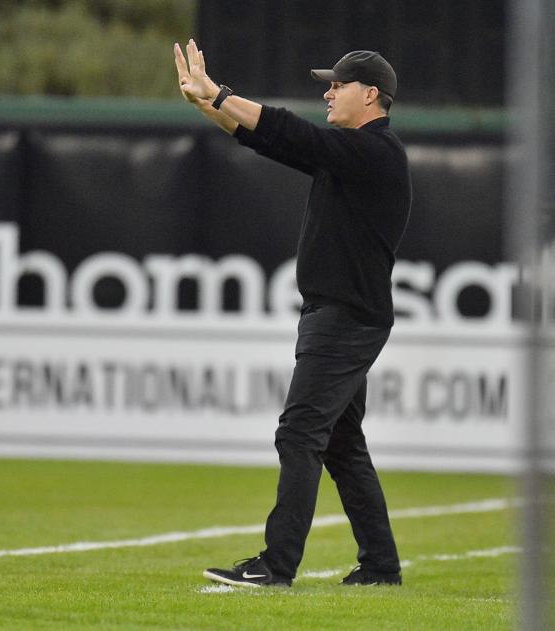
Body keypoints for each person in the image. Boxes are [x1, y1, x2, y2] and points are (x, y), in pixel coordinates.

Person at [174, 39, 411, 587]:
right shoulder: (355, 155)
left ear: (370, 95)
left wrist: (220, 93)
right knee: (343, 445)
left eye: (338, 84)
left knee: (299, 432)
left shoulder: (374, 152)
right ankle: (380, 566)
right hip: (344, 314)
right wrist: (208, 105)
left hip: (345, 318)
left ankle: (277, 565)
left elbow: (290, 133)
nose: (328, 91)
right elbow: (273, 141)